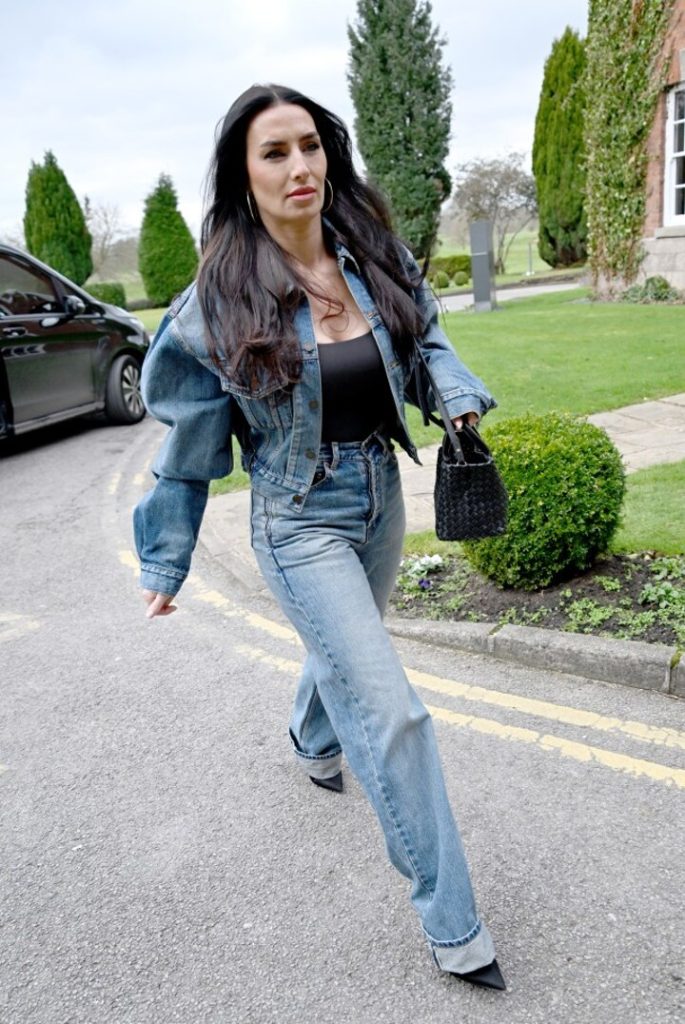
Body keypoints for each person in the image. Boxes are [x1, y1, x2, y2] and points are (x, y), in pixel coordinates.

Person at [133, 84, 505, 991]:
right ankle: (455, 927)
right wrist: (167, 557)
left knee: (342, 653)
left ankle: (309, 739)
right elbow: (187, 449)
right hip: (296, 516)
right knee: (390, 710)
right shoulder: (212, 304)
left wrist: (455, 396)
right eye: (274, 152)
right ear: (243, 175)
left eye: (309, 145)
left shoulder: (374, 254)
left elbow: (426, 339)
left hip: (381, 492)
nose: (299, 166)